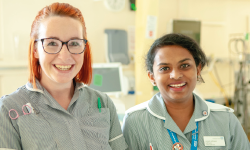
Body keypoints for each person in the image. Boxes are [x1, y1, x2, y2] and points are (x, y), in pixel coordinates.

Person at [0, 3, 127, 150]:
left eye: (74, 43)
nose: (65, 56)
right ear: (35, 49)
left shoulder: (103, 103)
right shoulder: (9, 109)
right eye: (52, 43)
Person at [122, 33, 250, 150]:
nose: (176, 75)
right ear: (152, 77)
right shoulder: (135, 121)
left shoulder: (225, 119)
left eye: (184, 66)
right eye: (165, 68)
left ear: (198, 70)